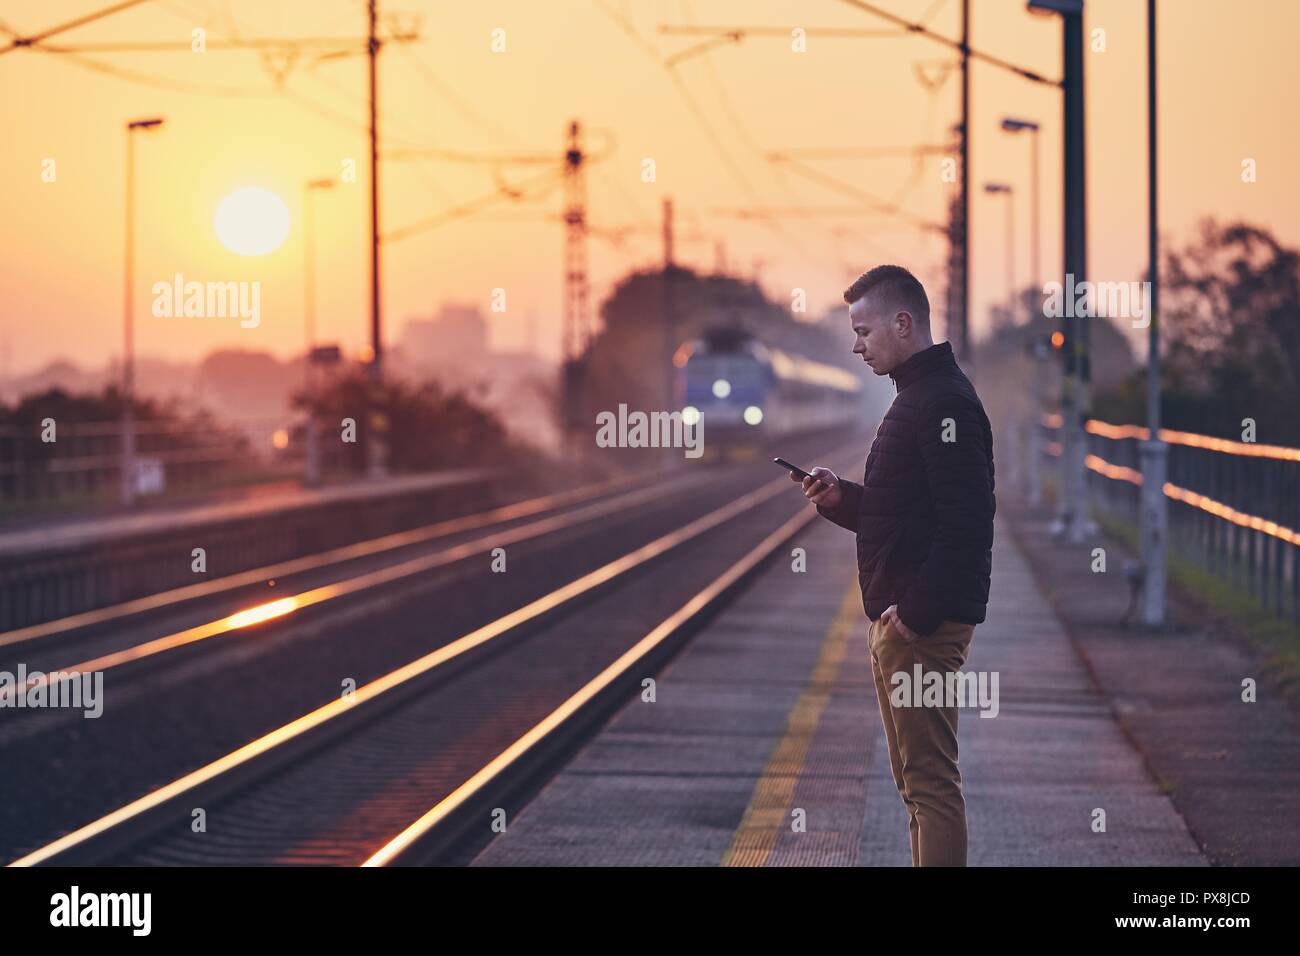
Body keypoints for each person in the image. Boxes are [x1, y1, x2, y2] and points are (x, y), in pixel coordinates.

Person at [793, 264, 995, 866]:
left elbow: (967, 525)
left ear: (902, 323)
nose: (856, 346)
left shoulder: (943, 405)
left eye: (863, 331)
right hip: (906, 624)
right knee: (916, 786)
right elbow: (908, 515)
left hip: (920, 629)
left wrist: (913, 616)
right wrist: (841, 500)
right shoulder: (922, 398)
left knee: (929, 785)